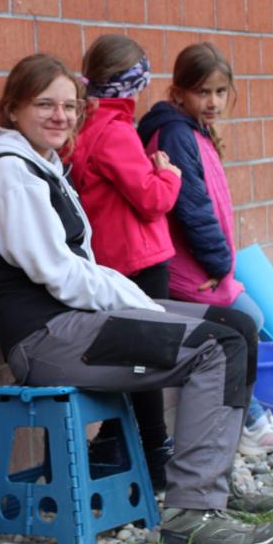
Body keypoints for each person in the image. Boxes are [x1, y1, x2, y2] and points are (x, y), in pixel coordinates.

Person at [0, 53, 273, 544]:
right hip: (47, 339)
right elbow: (60, 274)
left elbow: (79, 270)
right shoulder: (9, 172)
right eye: (44, 104)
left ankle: (211, 485)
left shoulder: (42, 164)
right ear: (13, 108)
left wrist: (143, 305)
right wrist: (145, 307)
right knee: (216, 346)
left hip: (77, 324)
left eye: (69, 106)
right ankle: (193, 516)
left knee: (237, 324)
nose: (60, 116)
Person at [137, 42, 273, 457]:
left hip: (203, 263)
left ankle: (248, 423)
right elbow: (193, 207)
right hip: (190, 266)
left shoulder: (194, 130)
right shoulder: (176, 133)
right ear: (178, 92)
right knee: (245, 322)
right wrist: (220, 263)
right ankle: (250, 425)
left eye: (221, 92)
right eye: (203, 92)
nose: (213, 102)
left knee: (244, 325)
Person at [68, 34, 181, 489]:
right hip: (139, 260)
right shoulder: (115, 131)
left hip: (113, 260)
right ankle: (156, 454)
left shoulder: (86, 127)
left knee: (136, 360)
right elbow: (152, 200)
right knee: (148, 360)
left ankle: (114, 445)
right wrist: (168, 175)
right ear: (134, 83)